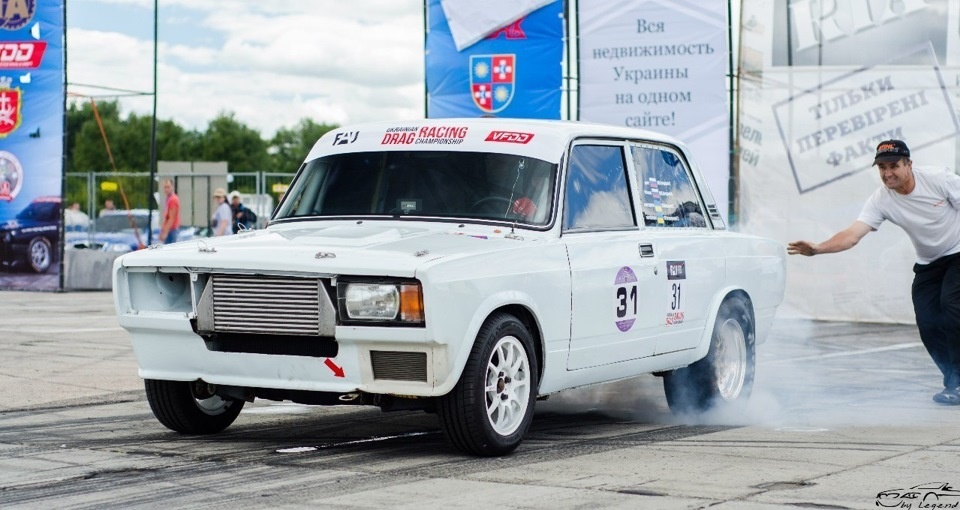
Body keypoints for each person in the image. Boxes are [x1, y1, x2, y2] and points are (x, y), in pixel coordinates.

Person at [787, 140, 960, 405]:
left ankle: (957, 383)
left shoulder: (938, 179)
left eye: (894, 166)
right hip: (929, 262)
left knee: (951, 306)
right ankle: (953, 380)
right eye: (882, 167)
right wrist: (818, 248)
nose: (887, 173)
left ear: (909, 164)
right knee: (927, 322)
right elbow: (852, 235)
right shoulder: (881, 199)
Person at [158, 179, 181, 244]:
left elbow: (171, 218)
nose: (166, 189)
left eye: (168, 187)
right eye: (165, 187)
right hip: (169, 230)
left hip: (172, 230)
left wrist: (165, 232)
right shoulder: (168, 199)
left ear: (172, 187)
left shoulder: (173, 199)